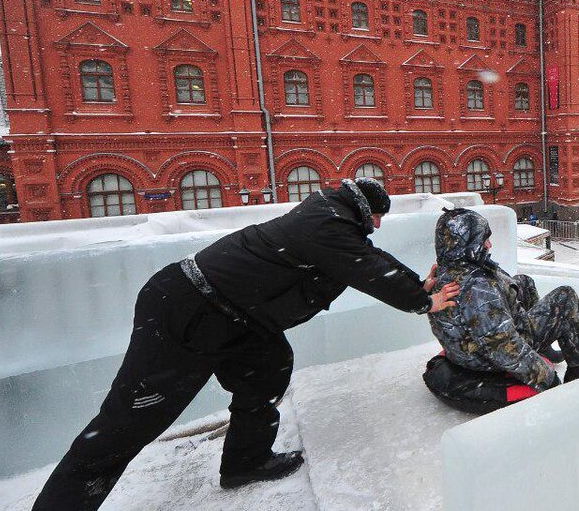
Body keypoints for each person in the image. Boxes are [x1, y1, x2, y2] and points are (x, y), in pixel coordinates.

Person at [32, 179, 461, 509]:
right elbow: (365, 267)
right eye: (379, 218)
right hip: (186, 310)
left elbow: (367, 257)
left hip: (234, 317)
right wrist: (424, 300)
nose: (380, 226)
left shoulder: (331, 220)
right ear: (367, 211)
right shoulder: (326, 224)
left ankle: (245, 462)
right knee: (128, 423)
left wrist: (415, 284)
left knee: (270, 367)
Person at [423, 208, 579, 414]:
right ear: (466, 244)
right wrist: (549, 380)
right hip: (485, 361)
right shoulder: (479, 289)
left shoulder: (444, 272)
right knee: (566, 298)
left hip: (466, 348)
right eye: (483, 240)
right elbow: (504, 348)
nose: (489, 245)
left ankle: (542, 349)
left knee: (523, 282)